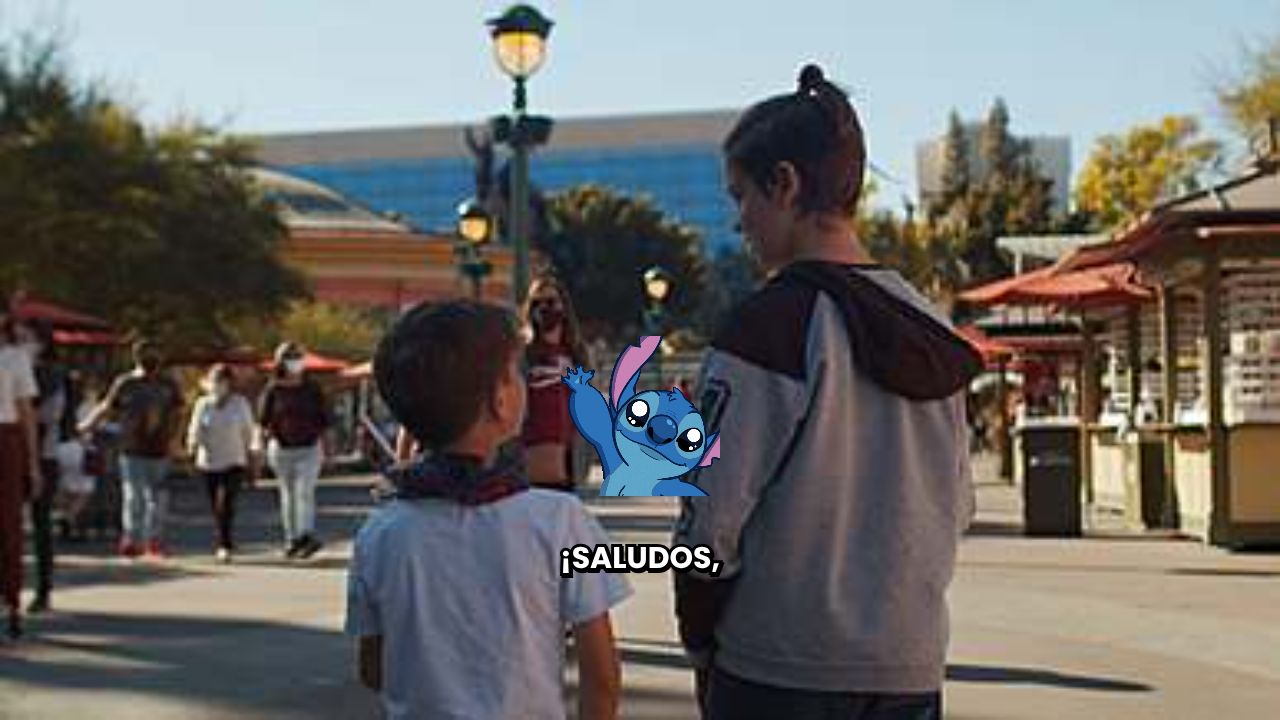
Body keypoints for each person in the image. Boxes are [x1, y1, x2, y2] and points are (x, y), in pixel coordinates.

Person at [672, 64, 981, 720]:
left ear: (784, 184)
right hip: (908, 665)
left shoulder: (768, 329)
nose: (740, 222)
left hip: (777, 667)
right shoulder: (930, 329)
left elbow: (711, 516)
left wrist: (698, 639)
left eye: (741, 196)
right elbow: (957, 506)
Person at [347, 300, 630, 719]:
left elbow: (374, 669)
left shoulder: (380, 532)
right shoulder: (559, 521)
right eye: (516, 374)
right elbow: (601, 677)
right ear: (500, 400)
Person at [80, 339, 184, 560]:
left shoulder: (168, 384)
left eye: (153, 354)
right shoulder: (126, 383)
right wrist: (87, 424)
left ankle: (154, 540)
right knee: (133, 496)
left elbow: (178, 412)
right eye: (144, 354)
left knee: (158, 498)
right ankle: (132, 540)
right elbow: (108, 406)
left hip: (160, 447)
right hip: (131, 447)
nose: (149, 359)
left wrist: (176, 440)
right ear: (136, 357)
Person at [519, 276, 591, 491]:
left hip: (569, 460)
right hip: (532, 461)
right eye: (536, 303)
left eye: (550, 302)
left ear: (563, 306)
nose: (544, 309)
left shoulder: (577, 353)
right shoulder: (523, 353)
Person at [259, 342, 329, 560]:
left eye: (298, 357)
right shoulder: (273, 389)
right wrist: (261, 445)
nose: (295, 362)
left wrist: (328, 444)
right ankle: (291, 538)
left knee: (305, 492)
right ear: (280, 362)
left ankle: (306, 535)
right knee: (288, 494)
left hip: (310, 448)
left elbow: (324, 419)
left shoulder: (312, 388)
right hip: (282, 449)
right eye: (290, 358)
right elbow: (263, 420)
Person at [186, 364, 258, 563]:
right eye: (215, 381)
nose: (218, 385)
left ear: (229, 383)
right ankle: (222, 535)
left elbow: (249, 431)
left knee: (226, 503)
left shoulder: (240, 404)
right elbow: (195, 429)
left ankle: (224, 545)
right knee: (215, 506)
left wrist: (253, 454)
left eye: (222, 381)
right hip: (208, 462)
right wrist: (192, 447)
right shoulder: (203, 404)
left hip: (234, 460)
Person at [0, 312, 43, 639]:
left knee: (9, 526)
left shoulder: (15, 357)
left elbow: (26, 410)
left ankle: (11, 602)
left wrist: (33, 463)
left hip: (6, 438)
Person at [23, 320, 69, 613]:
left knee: (41, 522)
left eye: (27, 338)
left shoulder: (52, 375)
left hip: (45, 453)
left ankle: (43, 588)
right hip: (13, 450)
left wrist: (24, 412)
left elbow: (52, 415)